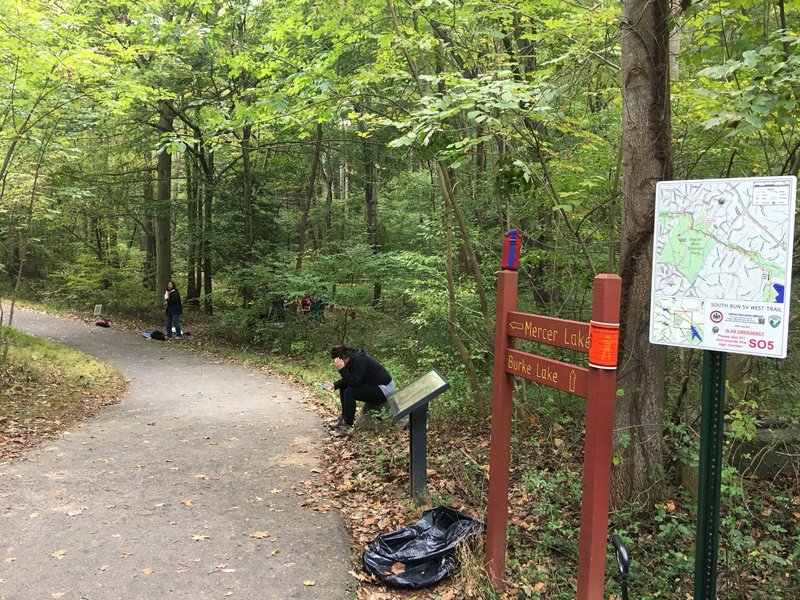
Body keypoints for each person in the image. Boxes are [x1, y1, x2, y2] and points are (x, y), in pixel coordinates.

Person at [323, 345, 396, 436]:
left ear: (344, 357)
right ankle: (344, 418)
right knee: (344, 387)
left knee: (350, 392)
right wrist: (334, 385)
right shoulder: (352, 359)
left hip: (384, 388)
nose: (337, 364)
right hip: (373, 385)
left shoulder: (359, 360)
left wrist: (342, 370)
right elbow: (349, 379)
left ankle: (347, 427)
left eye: (338, 361)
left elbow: (354, 382)